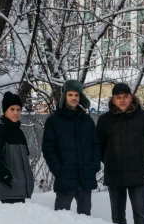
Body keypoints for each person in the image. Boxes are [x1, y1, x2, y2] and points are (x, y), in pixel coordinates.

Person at [96, 83, 144, 224]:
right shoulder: (105, 120)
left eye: (125, 97)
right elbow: (98, 145)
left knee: (140, 214)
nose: (122, 100)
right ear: (113, 99)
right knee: (117, 216)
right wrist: (110, 160)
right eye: (118, 98)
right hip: (114, 174)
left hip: (137, 173)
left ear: (131, 97)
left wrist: (142, 159)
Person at [42, 80, 101, 215]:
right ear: (64, 96)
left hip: (85, 176)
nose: (74, 98)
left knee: (86, 219)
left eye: (76, 95)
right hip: (65, 177)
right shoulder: (53, 121)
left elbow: (96, 145)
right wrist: (59, 170)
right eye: (70, 95)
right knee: (62, 220)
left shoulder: (87, 121)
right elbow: (48, 149)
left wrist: (94, 166)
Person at [0, 92, 34, 204]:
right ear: (5, 110)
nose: (16, 113)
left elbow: (23, 161)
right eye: (12, 109)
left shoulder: (19, 132)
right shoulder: (0, 131)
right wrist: (6, 177)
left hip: (19, 190)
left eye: (18, 109)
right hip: (8, 191)